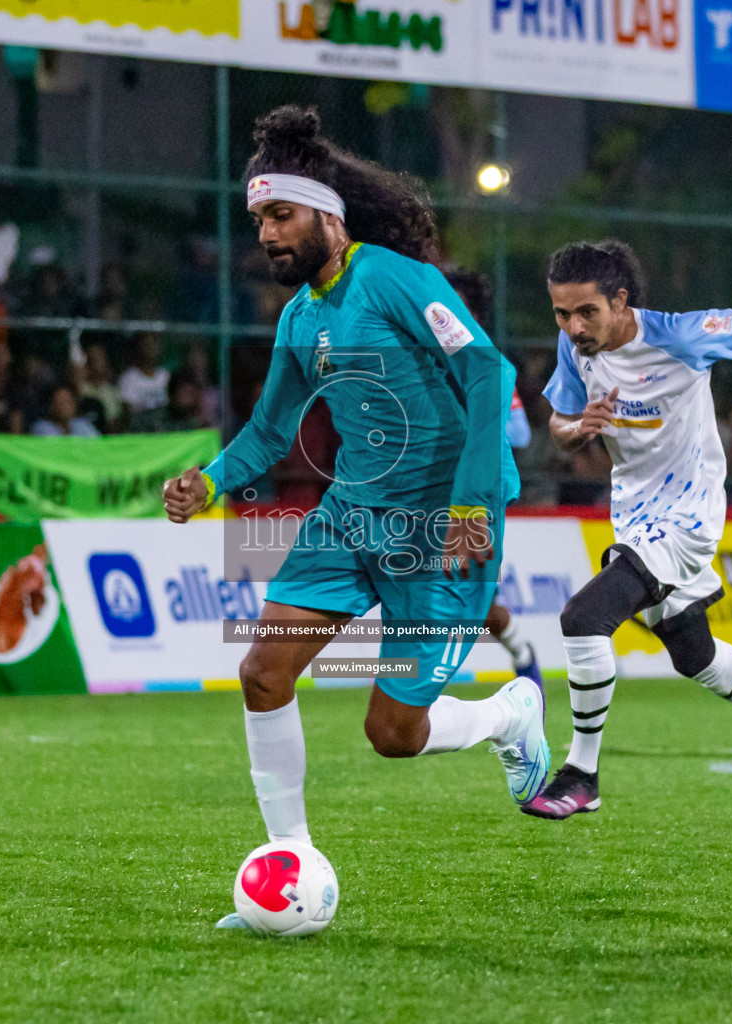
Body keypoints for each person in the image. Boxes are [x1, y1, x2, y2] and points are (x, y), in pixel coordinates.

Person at [161, 107, 541, 931]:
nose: (267, 233)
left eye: (281, 214)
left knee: (393, 733)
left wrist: (473, 508)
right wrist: (211, 482)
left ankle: (509, 715)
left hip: (443, 523)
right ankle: (288, 862)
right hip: (351, 518)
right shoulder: (301, 317)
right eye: (259, 218)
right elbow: (270, 430)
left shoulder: (399, 279)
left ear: (328, 215)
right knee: (263, 673)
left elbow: (488, 373)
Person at [520, 239, 732, 821]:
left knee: (583, 619)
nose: (574, 325)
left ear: (620, 300)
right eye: (562, 313)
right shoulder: (574, 347)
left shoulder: (682, 334)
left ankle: (581, 774)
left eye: (587, 311)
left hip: (688, 519)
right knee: (694, 654)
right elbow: (561, 422)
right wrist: (575, 428)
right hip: (633, 516)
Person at [442, 263, 541, 683]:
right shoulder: (421, 358)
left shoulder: (488, 364)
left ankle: (521, 649)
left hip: (479, 492)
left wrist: (480, 420)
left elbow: (519, 433)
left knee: (475, 597)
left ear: (474, 317)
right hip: (432, 488)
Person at [31, 383, 99, 438]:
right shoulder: (41, 428)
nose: (65, 406)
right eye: (60, 402)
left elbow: (99, 445)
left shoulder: (83, 425)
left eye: (68, 401)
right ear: (51, 406)